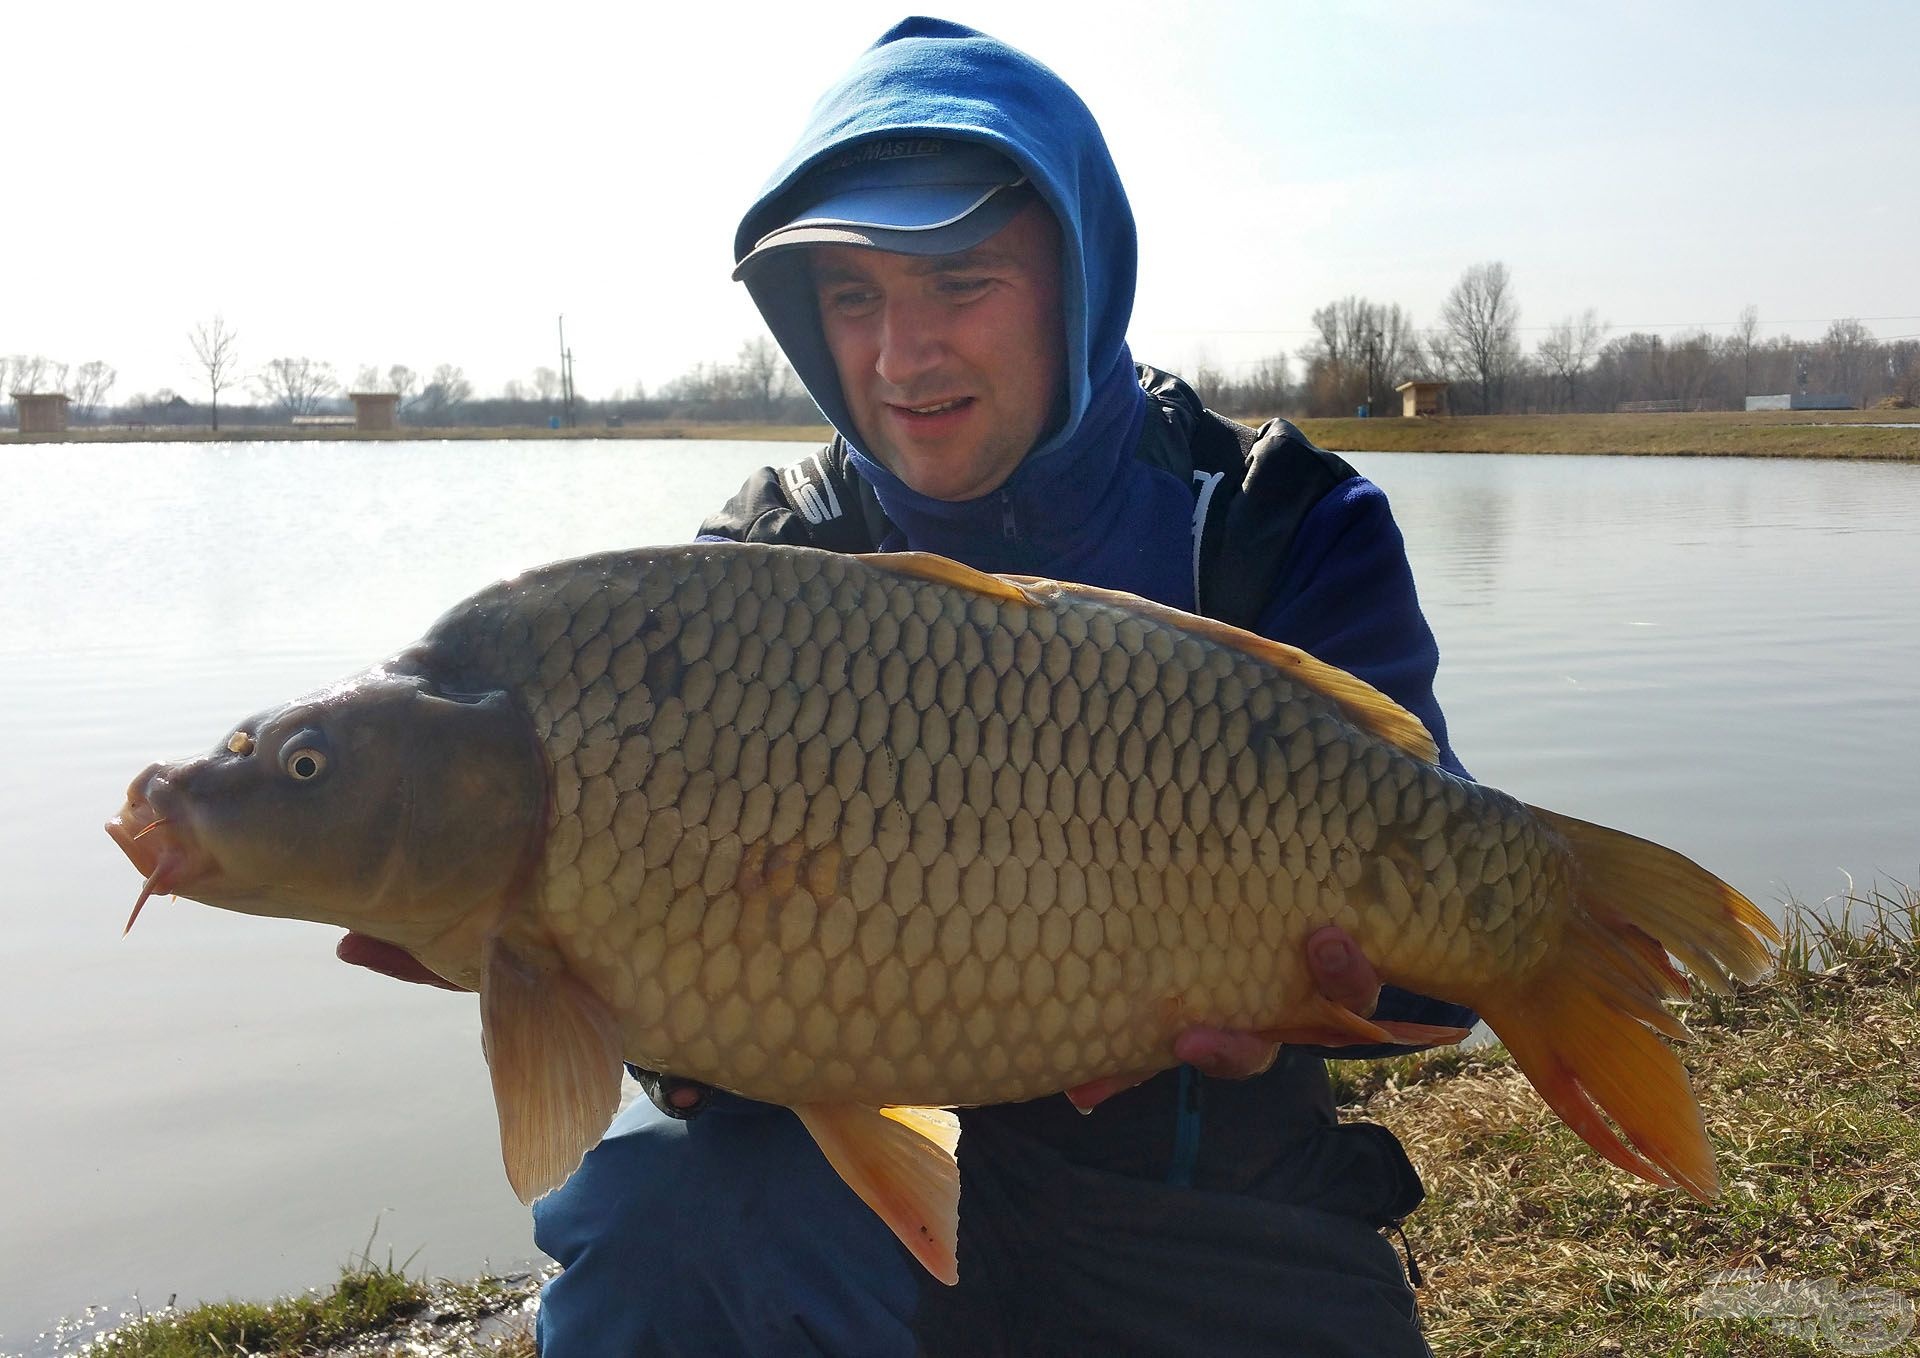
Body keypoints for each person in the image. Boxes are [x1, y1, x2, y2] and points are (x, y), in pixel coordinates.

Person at [344, 17, 1474, 1355]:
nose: (902, 356)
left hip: (1201, 1179)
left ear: (1079, 274)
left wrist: (1335, 1002)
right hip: (837, 1181)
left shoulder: (1275, 521)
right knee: (665, 1217)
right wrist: (590, 977)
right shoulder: (751, 578)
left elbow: (1440, 969)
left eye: (961, 283)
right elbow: (673, 1046)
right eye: (855, 299)